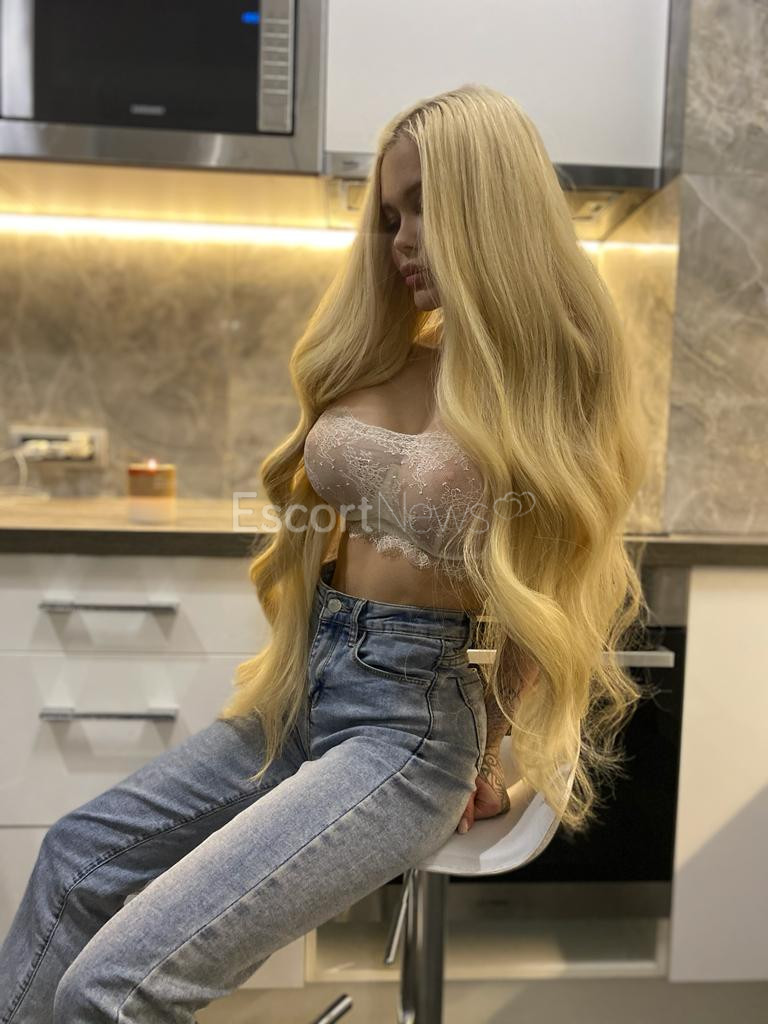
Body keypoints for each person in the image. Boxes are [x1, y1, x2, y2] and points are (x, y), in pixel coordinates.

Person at [0, 84, 648, 1021]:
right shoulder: (399, 355)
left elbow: (543, 590)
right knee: (71, 861)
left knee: (110, 990)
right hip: (311, 686)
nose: (400, 242)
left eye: (422, 207)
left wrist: (491, 757)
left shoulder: (549, 380)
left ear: (489, 202)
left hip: (407, 726)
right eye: (389, 216)